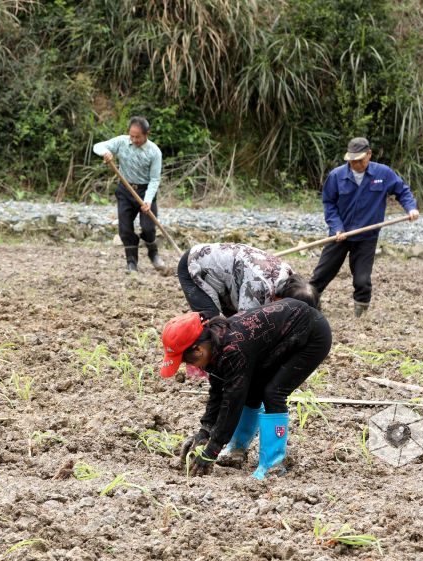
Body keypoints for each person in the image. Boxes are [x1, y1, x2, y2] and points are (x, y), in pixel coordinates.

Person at [161, 299, 332, 480]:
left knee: (273, 393)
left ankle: (273, 464)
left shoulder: (233, 349)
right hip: (281, 339)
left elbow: (233, 401)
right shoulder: (215, 343)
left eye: (188, 361)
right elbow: (218, 390)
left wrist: (212, 450)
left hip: (311, 334)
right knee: (253, 389)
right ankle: (237, 448)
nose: (191, 367)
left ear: (198, 349)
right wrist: (205, 430)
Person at [309, 137, 419, 317]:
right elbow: (329, 203)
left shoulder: (383, 174)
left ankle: (360, 314)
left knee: (362, 280)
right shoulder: (337, 176)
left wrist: (411, 208)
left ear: (369, 154)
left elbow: (402, 191)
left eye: (359, 160)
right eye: (352, 160)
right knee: (320, 275)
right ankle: (309, 304)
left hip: (366, 237)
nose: (355, 164)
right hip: (340, 235)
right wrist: (337, 227)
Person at [93, 116, 165, 273]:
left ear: (147, 134)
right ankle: (131, 262)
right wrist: (105, 152)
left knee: (148, 228)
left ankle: (153, 254)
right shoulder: (122, 142)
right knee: (125, 229)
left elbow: (154, 179)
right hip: (125, 190)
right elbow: (97, 146)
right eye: (132, 135)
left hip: (145, 191)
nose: (134, 139)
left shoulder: (154, 152)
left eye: (138, 136)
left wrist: (147, 201)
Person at [178, 242, 318, 318]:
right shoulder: (257, 285)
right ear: (280, 298)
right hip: (194, 265)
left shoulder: (291, 277)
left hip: (229, 279)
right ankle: (204, 368)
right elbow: (243, 324)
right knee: (213, 322)